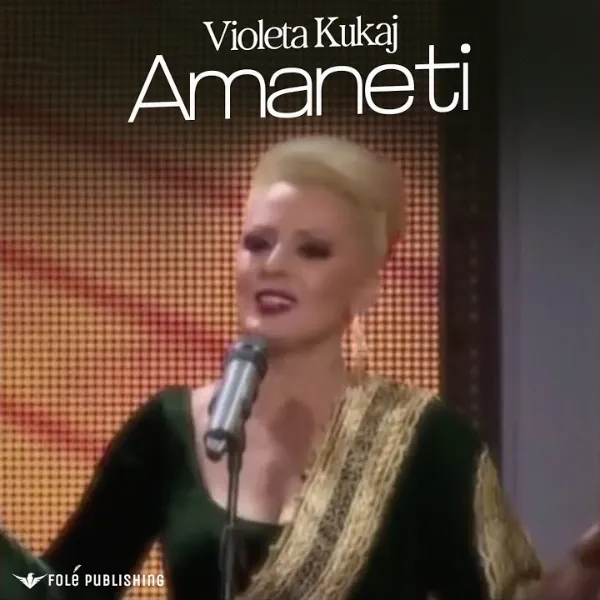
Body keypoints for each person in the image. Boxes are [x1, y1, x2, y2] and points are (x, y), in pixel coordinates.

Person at [1, 136, 599, 600]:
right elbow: (68, 587)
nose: (273, 265)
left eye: (312, 250)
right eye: (257, 243)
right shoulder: (168, 430)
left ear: (366, 288)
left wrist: (581, 571)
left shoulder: (424, 441)